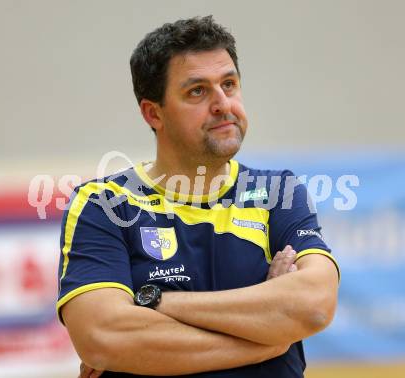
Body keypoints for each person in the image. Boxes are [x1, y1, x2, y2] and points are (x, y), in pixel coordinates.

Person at [57, 16, 340, 378]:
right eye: (198, 91)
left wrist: (155, 301)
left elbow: (312, 306)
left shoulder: (278, 194)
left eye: (229, 84)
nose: (223, 103)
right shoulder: (104, 204)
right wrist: (266, 339)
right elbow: (103, 336)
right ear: (153, 113)